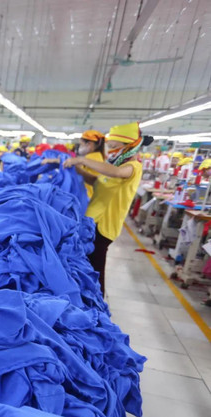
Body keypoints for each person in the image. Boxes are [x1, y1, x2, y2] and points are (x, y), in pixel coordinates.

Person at [64, 122, 151, 294]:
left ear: (130, 147)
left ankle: (96, 304)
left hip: (103, 227)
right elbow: (98, 183)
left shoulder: (133, 167)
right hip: (92, 223)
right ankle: (86, 297)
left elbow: (117, 173)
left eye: (113, 146)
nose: (109, 150)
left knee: (94, 270)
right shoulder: (116, 167)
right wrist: (79, 171)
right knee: (85, 265)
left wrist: (81, 159)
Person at [43, 130, 105, 199]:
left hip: (88, 196)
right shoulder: (96, 156)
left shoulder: (91, 157)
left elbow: (72, 164)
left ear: (89, 144)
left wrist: (53, 160)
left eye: (81, 144)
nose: (79, 147)